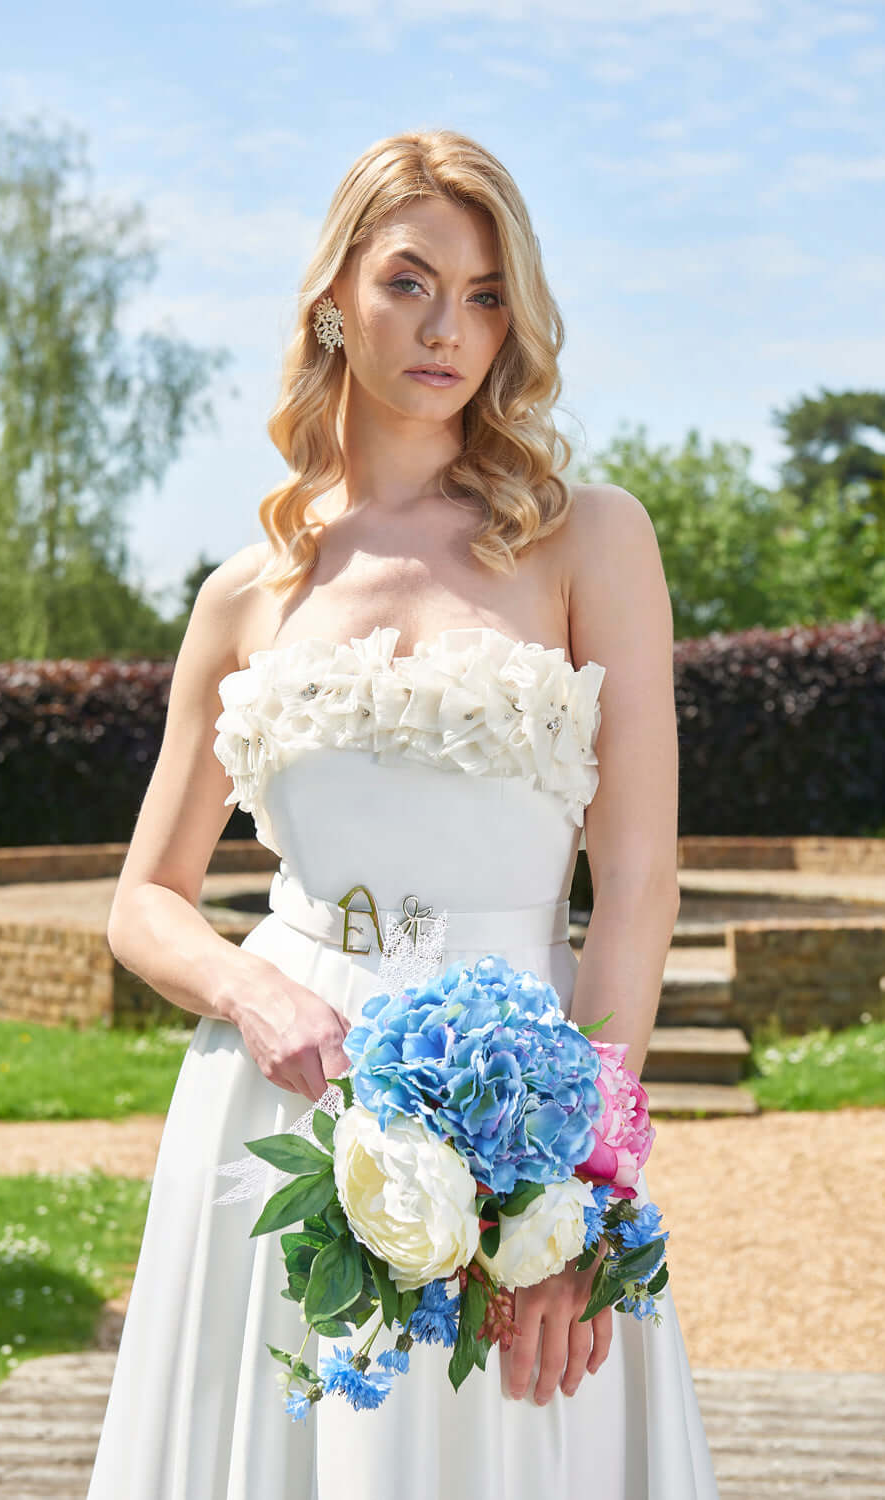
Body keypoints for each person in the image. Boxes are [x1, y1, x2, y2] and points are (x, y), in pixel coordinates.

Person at [86, 128, 720, 1500]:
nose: (450, 329)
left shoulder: (586, 536)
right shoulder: (245, 591)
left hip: (526, 1106)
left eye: (487, 295)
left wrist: (583, 1200)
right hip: (285, 1103)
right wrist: (255, 996)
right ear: (332, 298)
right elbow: (144, 899)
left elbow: (638, 884)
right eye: (410, 282)